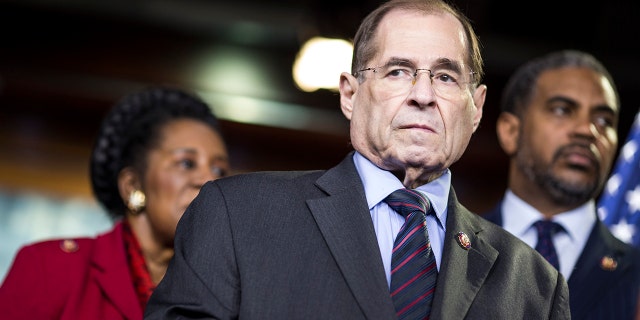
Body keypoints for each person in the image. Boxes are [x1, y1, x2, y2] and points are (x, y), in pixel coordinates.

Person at [145, 0, 570, 319]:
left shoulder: (535, 285)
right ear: (349, 94)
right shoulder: (236, 215)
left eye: (444, 76)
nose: (422, 95)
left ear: (475, 107)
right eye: (397, 71)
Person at [0, 86, 231, 319]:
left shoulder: (227, 296)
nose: (210, 181)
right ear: (132, 185)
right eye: (186, 163)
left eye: (219, 169)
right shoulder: (50, 268)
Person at [482, 49, 640, 319]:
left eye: (604, 120)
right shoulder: (450, 247)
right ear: (510, 131)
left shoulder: (635, 272)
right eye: (562, 110)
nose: (587, 130)